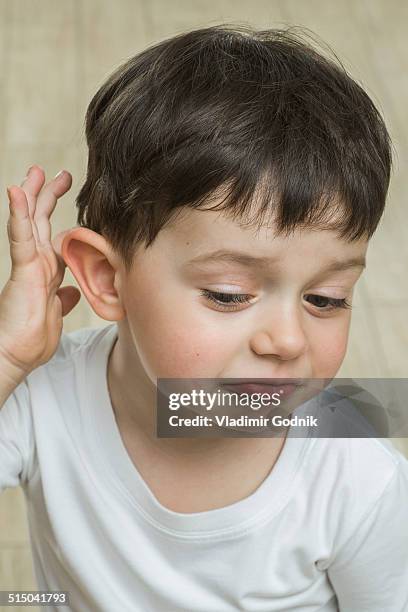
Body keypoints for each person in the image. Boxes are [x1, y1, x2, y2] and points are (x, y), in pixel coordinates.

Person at [1, 23, 407, 612]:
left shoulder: (358, 481)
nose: (288, 340)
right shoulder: (41, 400)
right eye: (228, 293)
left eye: (327, 298)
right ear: (107, 279)